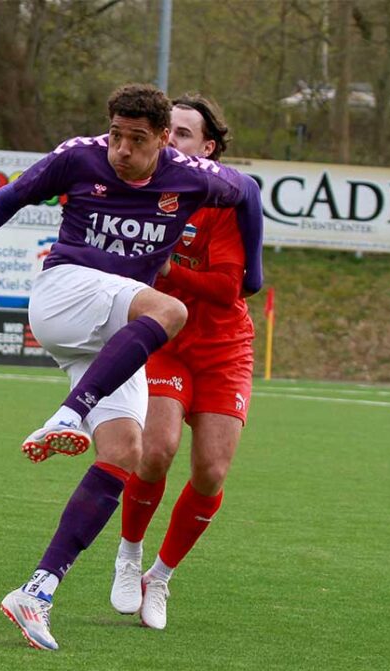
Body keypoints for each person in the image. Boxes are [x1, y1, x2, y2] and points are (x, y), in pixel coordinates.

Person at [0, 83, 264, 651]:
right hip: (65, 295)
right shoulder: (79, 156)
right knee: (169, 309)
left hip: (113, 333)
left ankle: (36, 591)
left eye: (137, 140)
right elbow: (8, 199)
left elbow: (247, 192)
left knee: (125, 452)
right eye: (117, 136)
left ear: (160, 142)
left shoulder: (191, 176)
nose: (122, 150)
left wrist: (253, 276)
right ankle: (68, 414)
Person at [107, 94, 256, 632]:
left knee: (212, 472)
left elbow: (227, 288)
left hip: (222, 347)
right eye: (166, 132)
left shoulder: (227, 201)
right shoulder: (146, 192)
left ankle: (160, 576)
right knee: (156, 451)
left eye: (183, 133)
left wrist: (168, 269)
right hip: (166, 339)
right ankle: (128, 554)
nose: (171, 140)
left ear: (208, 148)